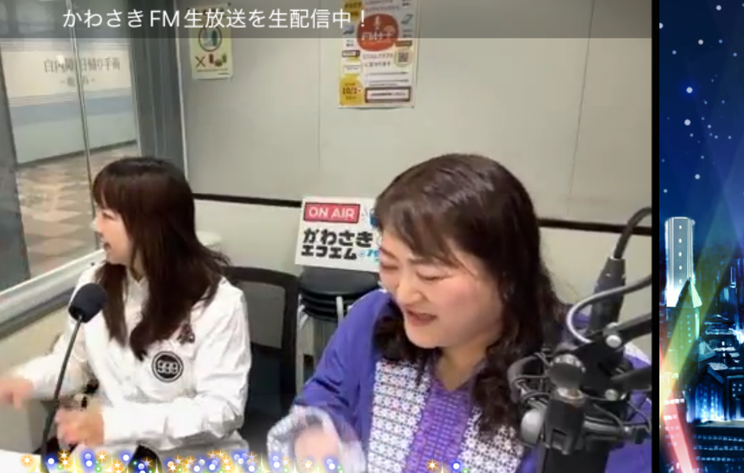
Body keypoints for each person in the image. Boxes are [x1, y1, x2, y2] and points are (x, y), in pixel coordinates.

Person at [267, 154, 651, 473]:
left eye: (431, 275)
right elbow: (326, 396)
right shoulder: (373, 317)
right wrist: (316, 433)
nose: (404, 293)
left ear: (507, 275)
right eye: (388, 264)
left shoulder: (600, 379)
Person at [0, 157, 251, 463]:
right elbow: (75, 365)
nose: (95, 226)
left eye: (107, 216)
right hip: (112, 451)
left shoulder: (218, 304)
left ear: (149, 226)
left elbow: (222, 411)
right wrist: (23, 380)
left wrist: (114, 424)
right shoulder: (95, 284)